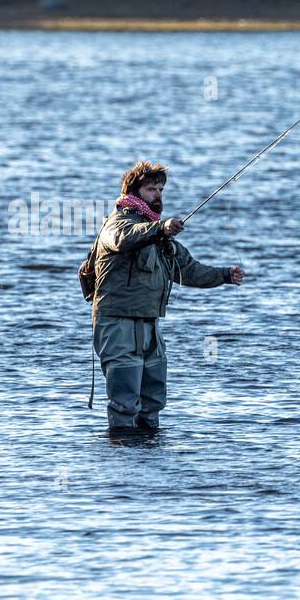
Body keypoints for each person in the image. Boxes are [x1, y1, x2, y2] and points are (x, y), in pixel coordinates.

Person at [90, 160, 244, 431]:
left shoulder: (159, 237)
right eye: (151, 189)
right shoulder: (117, 224)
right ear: (133, 192)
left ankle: (151, 457)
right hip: (117, 324)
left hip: (150, 326)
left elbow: (189, 270)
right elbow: (123, 238)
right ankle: (122, 458)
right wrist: (159, 229)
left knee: (153, 400)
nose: (158, 195)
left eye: (161, 189)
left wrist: (224, 275)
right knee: (125, 401)